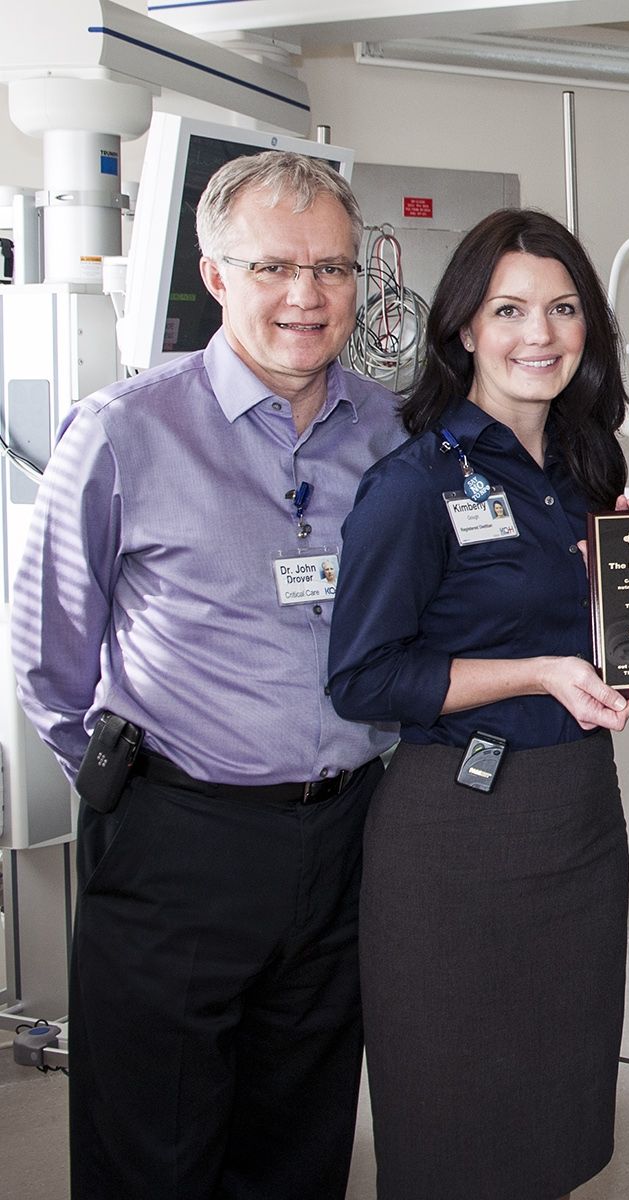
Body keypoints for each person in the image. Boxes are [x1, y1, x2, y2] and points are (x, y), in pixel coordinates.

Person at [10, 151, 404, 1199]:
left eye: (331, 268)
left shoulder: (385, 429)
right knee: (155, 1148)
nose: (306, 297)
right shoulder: (126, 430)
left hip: (345, 840)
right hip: (181, 843)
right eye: (274, 266)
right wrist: (135, 792)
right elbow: (48, 655)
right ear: (216, 273)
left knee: (299, 1139)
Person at [327, 208, 629, 1200]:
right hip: (459, 832)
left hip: (577, 822)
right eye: (508, 309)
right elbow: (364, 678)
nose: (537, 334)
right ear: (465, 327)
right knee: (456, 1123)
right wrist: (539, 672)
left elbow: (590, 648)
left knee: (555, 1113)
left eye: (561, 308)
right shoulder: (413, 482)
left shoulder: (586, 474)